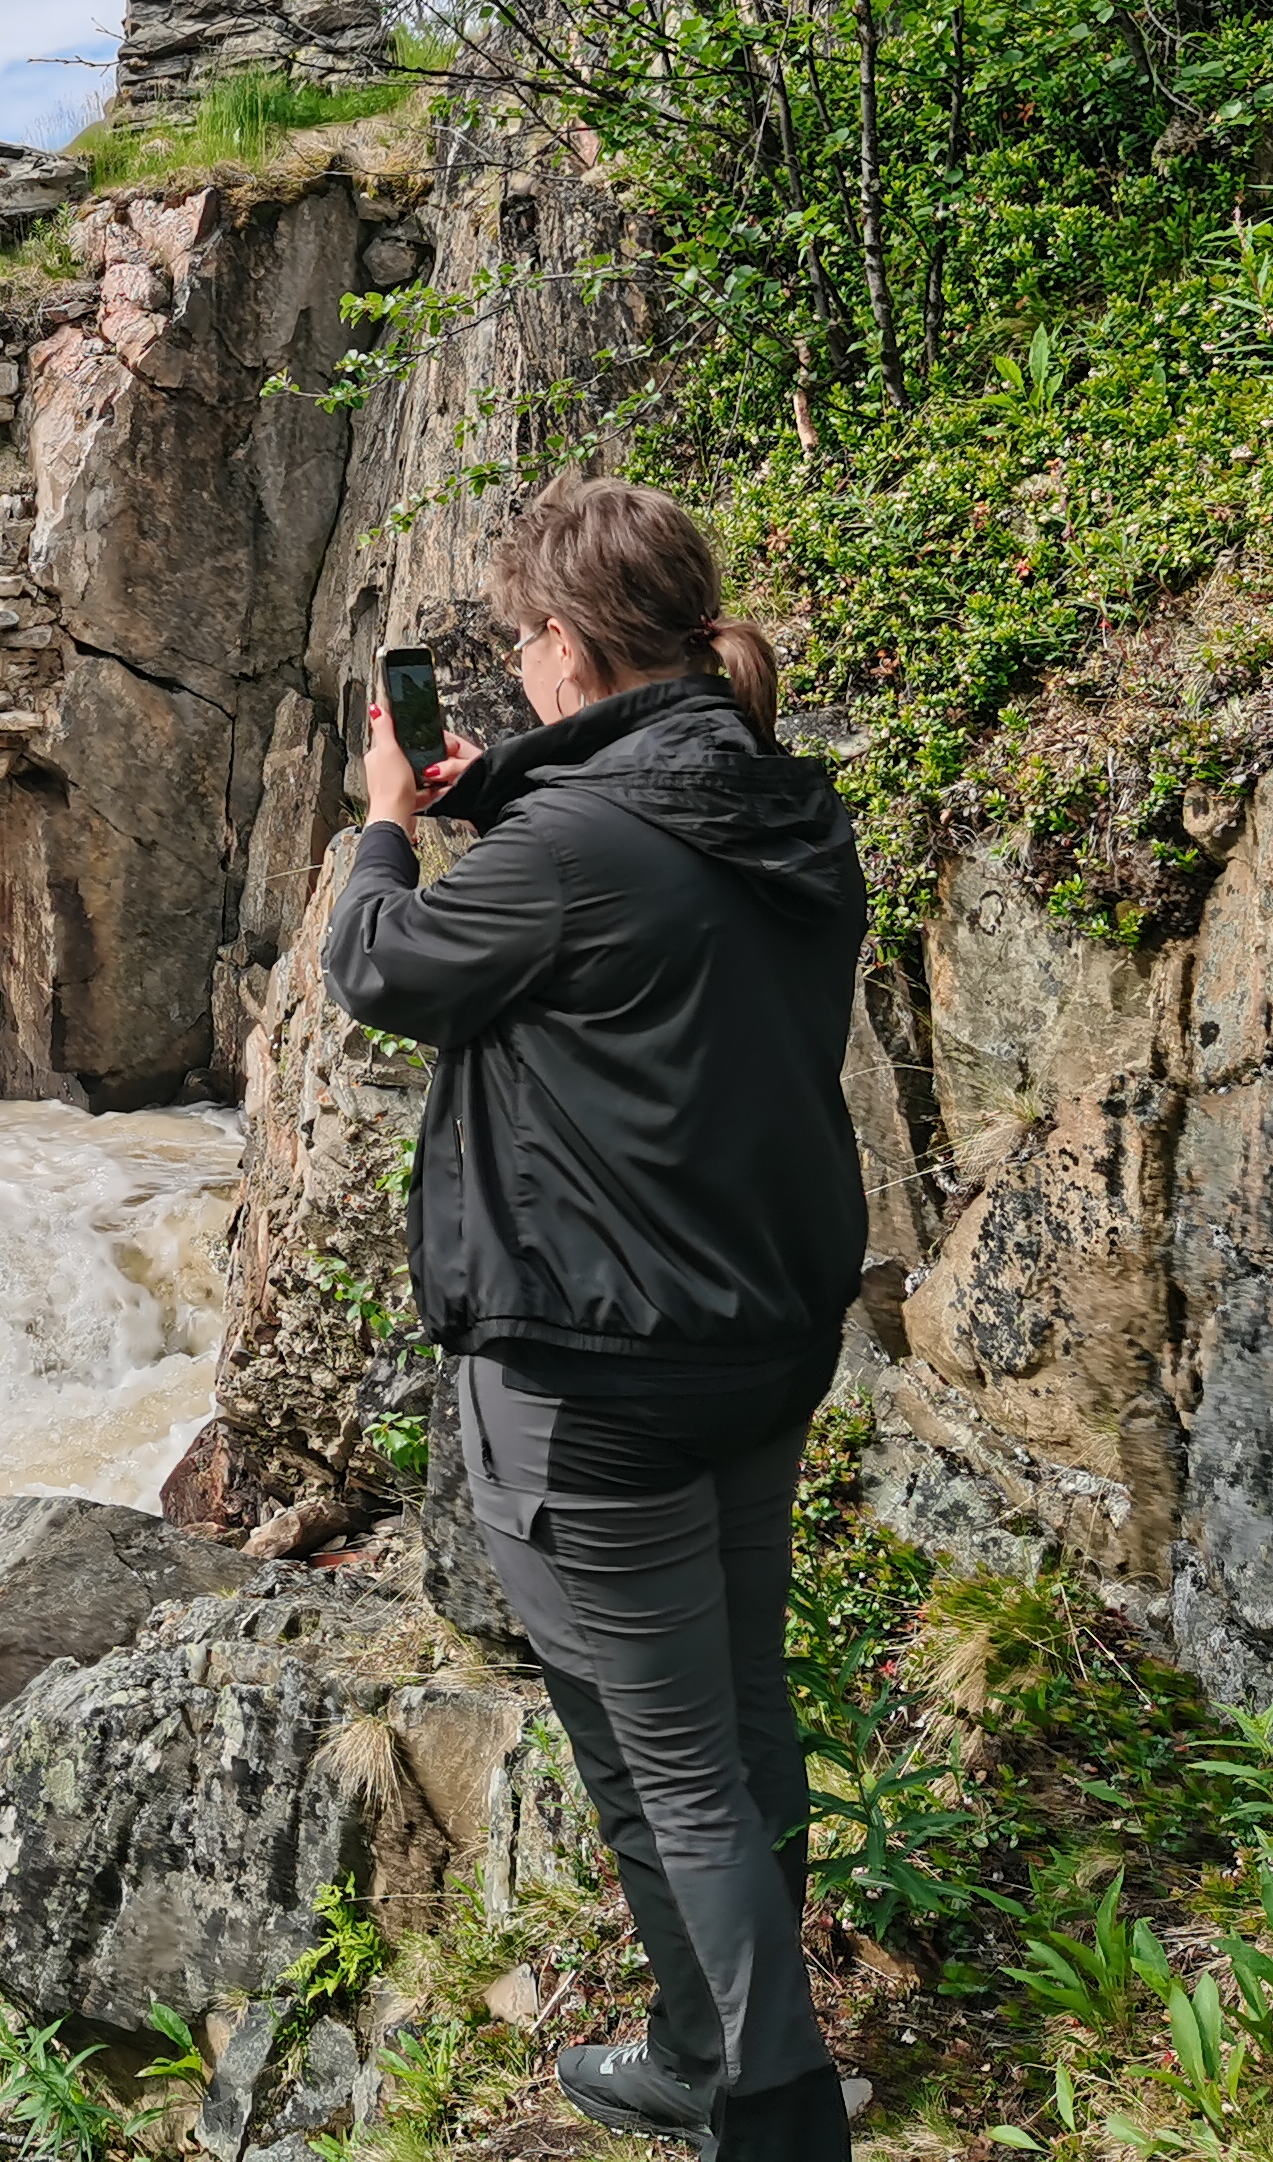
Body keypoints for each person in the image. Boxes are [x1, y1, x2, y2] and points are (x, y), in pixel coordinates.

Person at [322, 472, 869, 2162]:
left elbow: (383, 970)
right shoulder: (772, 802)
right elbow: (622, 913)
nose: (514, 672)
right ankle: (714, 2052)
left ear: (561, 645)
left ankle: (775, 2120)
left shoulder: (575, 849)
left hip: (594, 1372)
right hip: (759, 1342)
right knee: (740, 1724)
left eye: (519, 646)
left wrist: (385, 822)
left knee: (666, 1765)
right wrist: (518, 793)